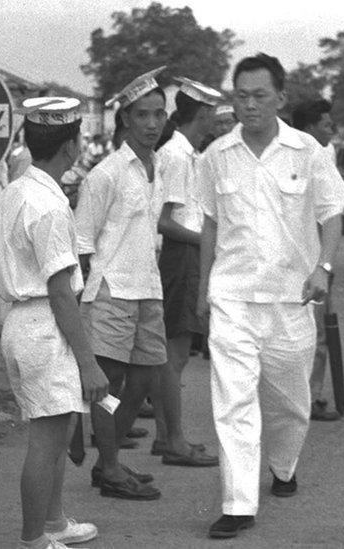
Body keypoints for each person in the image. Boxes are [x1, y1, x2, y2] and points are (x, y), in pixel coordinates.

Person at [196, 53, 344, 539]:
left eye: (259, 96)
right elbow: (209, 225)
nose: (249, 105)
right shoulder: (215, 156)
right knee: (234, 402)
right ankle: (239, 502)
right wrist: (203, 291)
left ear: (280, 98)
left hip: (291, 302)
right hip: (233, 298)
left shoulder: (308, 152)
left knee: (289, 405)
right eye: (241, 96)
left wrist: (323, 268)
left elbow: (332, 215)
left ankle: (283, 466)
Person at [0, 97, 107, 549]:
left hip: (22, 323)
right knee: (46, 438)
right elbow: (60, 292)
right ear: (72, 147)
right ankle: (33, 538)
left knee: (59, 430)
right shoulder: (49, 205)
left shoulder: (17, 189)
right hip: (43, 323)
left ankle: (54, 522)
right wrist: (89, 362)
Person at [75, 67, 173, 501]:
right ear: (126, 120)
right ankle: (111, 466)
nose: (153, 124)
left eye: (159, 115)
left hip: (147, 286)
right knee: (108, 384)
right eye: (143, 115)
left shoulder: (160, 166)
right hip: (111, 288)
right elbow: (81, 242)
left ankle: (107, 457)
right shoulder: (106, 174)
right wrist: (81, 303)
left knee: (148, 376)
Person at [149, 77, 222, 465]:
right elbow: (163, 221)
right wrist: (206, 241)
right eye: (212, 111)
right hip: (181, 256)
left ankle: (167, 436)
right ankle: (172, 439)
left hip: (189, 254)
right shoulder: (177, 156)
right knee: (175, 354)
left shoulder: (190, 153)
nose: (217, 118)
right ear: (203, 113)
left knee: (175, 352)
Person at [291, 98, 342, 422]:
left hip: (314, 255)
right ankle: (306, 398)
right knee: (313, 333)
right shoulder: (308, 156)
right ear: (310, 128)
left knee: (316, 331)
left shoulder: (325, 153)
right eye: (325, 124)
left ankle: (309, 394)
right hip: (303, 256)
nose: (331, 130)